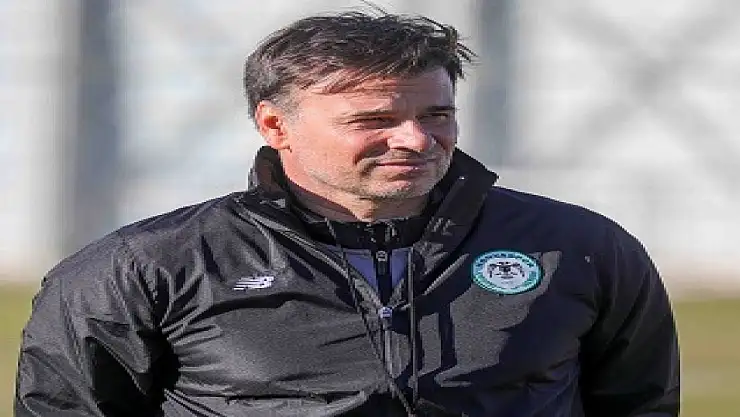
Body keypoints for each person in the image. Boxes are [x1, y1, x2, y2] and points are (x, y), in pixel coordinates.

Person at [15, 10, 679, 417]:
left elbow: (642, 403)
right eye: (374, 120)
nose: (416, 139)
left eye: (436, 114)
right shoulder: (139, 268)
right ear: (275, 125)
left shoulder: (579, 247)